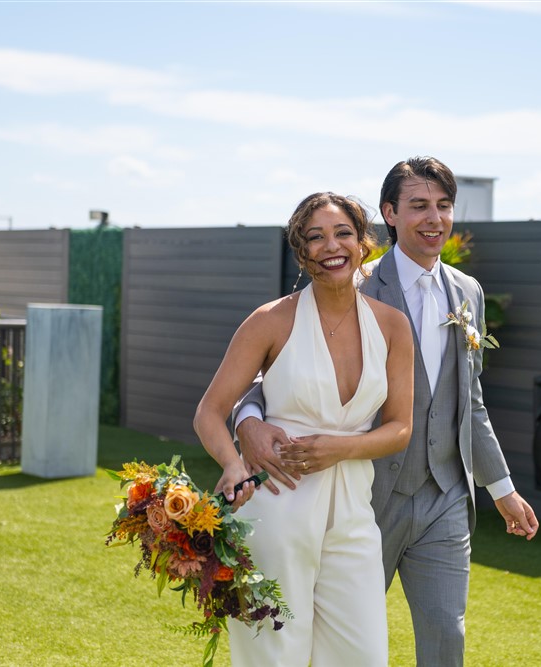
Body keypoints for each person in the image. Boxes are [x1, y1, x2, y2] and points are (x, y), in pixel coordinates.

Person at [235, 156, 540, 666]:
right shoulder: (346, 277)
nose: (434, 219)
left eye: (443, 206)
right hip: (362, 495)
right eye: (419, 205)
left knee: (447, 634)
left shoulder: (468, 293)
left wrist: (501, 490)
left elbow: (471, 401)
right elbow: (277, 370)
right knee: (335, 642)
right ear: (389, 213)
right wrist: (248, 422)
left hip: (444, 495)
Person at [193, 192, 414, 667]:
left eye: (342, 233)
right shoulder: (270, 321)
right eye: (315, 237)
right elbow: (209, 412)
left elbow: (400, 429)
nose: (330, 245)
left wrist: (340, 448)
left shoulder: (394, 327)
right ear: (302, 252)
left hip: (354, 512)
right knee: (271, 653)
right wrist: (232, 465)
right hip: (275, 507)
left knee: (363, 655)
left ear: (364, 244)